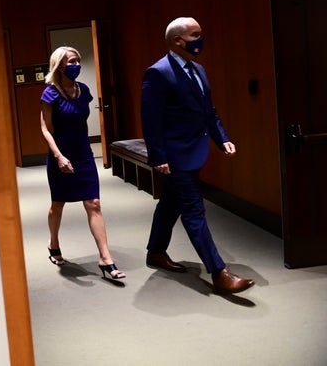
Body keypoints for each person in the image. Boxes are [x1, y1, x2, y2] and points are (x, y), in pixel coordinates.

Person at [141, 17, 254, 294]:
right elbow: (150, 119)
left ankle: (155, 252)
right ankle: (219, 272)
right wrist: (158, 156)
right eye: (195, 35)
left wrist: (222, 138)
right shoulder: (158, 72)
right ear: (178, 40)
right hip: (175, 155)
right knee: (194, 209)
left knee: (170, 204)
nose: (200, 39)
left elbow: (208, 111)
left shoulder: (199, 70)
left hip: (195, 151)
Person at [40, 46, 125, 280]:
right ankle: (53, 243)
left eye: (78, 60)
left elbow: (83, 122)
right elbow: (45, 129)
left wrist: (85, 148)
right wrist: (59, 156)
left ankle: (105, 258)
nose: (76, 64)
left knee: (94, 203)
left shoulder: (83, 90)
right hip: (60, 154)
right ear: (59, 66)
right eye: (71, 61)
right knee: (58, 204)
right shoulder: (50, 93)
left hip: (82, 153)